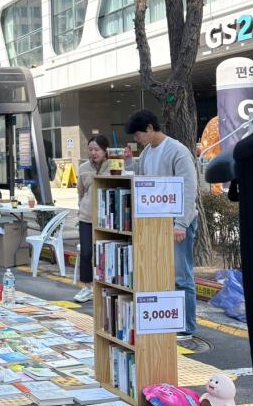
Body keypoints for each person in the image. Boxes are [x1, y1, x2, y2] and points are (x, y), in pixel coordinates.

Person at [124, 110, 198, 339]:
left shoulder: (177, 151)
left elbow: (189, 188)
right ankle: (169, 322)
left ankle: (187, 327)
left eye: (138, 134)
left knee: (181, 275)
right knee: (160, 274)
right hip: (156, 224)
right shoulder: (147, 151)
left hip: (177, 223)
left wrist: (181, 223)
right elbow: (141, 178)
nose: (136, 139)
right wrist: (129, 161)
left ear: (149, 128)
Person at [74, 135, 110, 303]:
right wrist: (81, 208)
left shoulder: (114, 165)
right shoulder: (83, 168)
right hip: (86, 217)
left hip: (109, 219)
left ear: (105, 150)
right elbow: (80, 192)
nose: (93, 153)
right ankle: (87, 287)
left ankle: (106, 286)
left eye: (97, 149)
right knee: (86, 252)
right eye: (90, 149)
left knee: (106, 253)